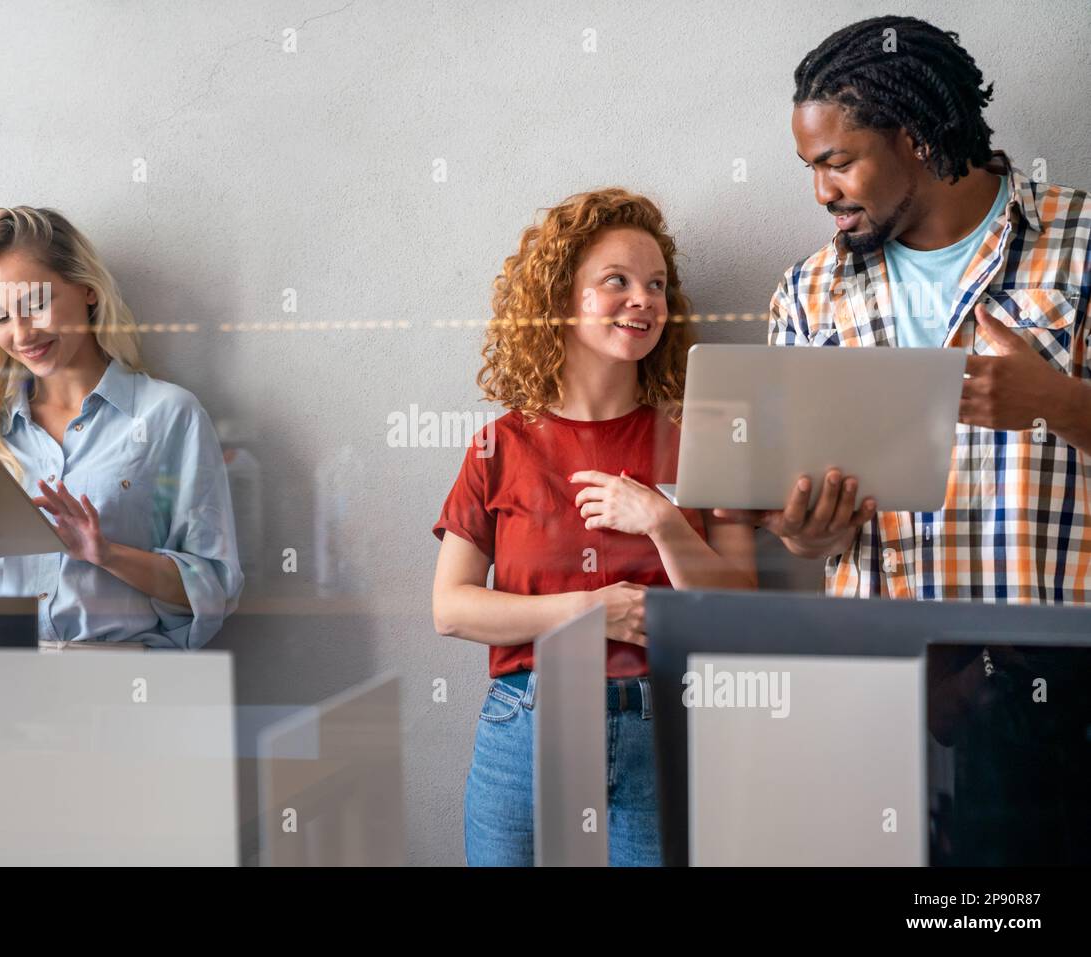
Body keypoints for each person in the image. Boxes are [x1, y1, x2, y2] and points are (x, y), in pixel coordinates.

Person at [431, 188, 757, 866]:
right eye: (618, 281)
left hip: (660, 727)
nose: (645, 299)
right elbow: (451, 608)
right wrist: (588, 610)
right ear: (561, 297)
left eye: (658, 285)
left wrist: (664, 522)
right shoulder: (500, 446)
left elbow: (739, 610)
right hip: (523, 728)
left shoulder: (703, 436)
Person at [721, 15, 1091, 605]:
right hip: (880, 669)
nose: (822, 193)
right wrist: (807, 533)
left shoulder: (1081, 242)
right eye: (811, 168)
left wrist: (1058, 404)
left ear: (915, 137)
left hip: (1051, 666)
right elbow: (813, 538)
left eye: (838, 164)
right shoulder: (807, 292)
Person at [0, 206, 243, 649]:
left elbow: (214, 589)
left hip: (121, 690)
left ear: (87, 290)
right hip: (2, 681)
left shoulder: (168, 416)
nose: (21, 334)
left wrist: (106, 554)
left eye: (35, 304)